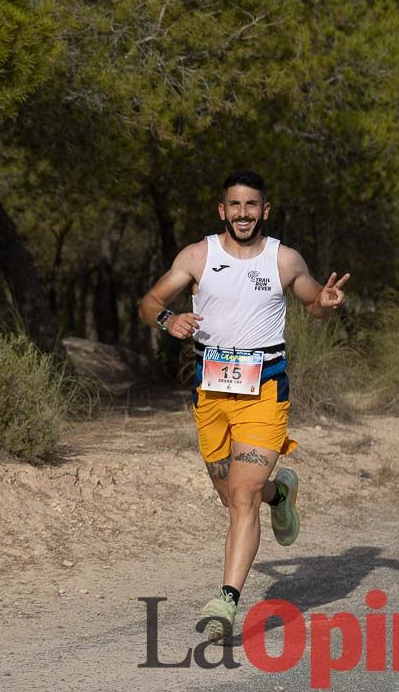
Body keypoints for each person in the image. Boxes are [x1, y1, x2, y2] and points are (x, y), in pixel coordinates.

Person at [137, 170, 350, 643]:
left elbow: (312, 301)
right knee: (232, 493)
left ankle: (226, 602)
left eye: (252, 205)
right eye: (235, 205)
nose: (243, 214)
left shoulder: (284, 259)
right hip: (210, 392)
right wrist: (169, 319)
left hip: (265, 389)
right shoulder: (197, 256)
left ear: (265, 211)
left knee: (241, 498)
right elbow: (149, 302)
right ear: (222, 211)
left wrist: (326, 303)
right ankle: (281, 494)